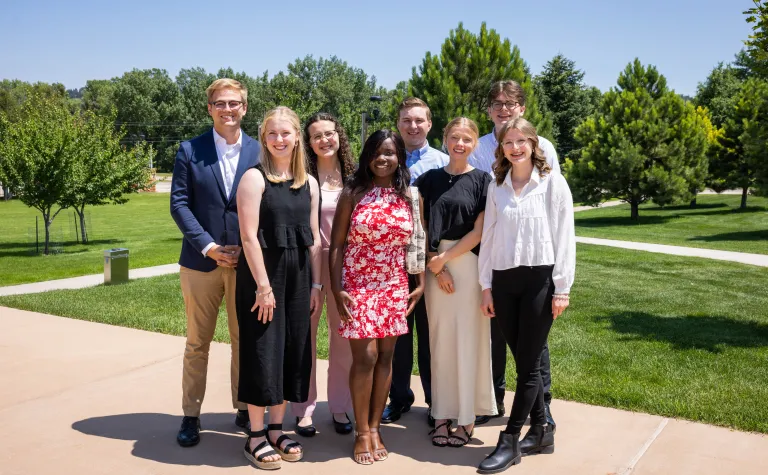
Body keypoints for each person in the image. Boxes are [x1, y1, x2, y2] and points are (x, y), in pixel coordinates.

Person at [476, 118, 575, 474]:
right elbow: (488, 237)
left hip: (539, 282)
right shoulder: (497, 184)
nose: (515, 147)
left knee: (530, 364)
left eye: (521, 141)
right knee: (524, 359)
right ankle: (542, 432)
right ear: (501, 148)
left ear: (534, 144)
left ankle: (510, 439)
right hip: (503, 282)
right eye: (508, 142)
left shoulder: (552, 183)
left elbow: (565, 236)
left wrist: (561, 287)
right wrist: (485, 285)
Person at [170, 78, 260, 448]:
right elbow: (179, 204)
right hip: (200, 262)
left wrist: (246, 247)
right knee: (197, 343)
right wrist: (209, 247)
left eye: (234, 103)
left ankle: (243, 408)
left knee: (245, 341)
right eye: (220, 103)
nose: (227, 109)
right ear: (209, 109)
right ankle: (191, 415)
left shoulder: (261, 150)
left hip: (246, 263)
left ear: (244, 108)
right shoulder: (190, 150)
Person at [329, 129, 425, 465]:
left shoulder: (408, 195)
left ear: (400, 156)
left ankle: (374, 426)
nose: (382, 159)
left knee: (387, 357)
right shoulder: (353, 193)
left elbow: (417, 241)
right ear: (368, 156)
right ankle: (361, 432)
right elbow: (337, 244)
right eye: (376, 152)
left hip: (394, 283)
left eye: (389, 153)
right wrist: (338, 287)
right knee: (366, 357)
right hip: (357, 283)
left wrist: (421, 280)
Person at [469, 80, 560, 428]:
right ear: (489, 110)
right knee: (496, 332)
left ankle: (543, 407)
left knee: (534, 340)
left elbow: (552, 205)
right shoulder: (480, 149)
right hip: (494, 249)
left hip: (535, 257)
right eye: (496, 103)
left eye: (510, 103)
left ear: (522, 108)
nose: (503, 108)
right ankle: (493, 398)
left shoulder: (543, 147)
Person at [235, 106, 323, 470]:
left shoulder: (309, 183)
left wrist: (316, 283)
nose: (279, 139)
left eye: (285, 133)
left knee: (292, 351)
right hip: (264, 280)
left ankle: (276, 428)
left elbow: (315, 239)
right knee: (263, 351)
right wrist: (263, 287)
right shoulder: (254, 179)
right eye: (272, 133)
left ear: (297, 136)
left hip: (300, 279)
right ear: (263, 137)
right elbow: (248, 237)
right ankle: (255, 435)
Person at [415, 117, 496, 448]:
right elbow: (420, 226)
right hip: (437, 270)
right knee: (440, 343)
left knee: (469, 342)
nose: (459, 143)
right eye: (454, 137)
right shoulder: (428, 180)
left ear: (474, 144)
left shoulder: (483, 181)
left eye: (466, 139)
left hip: (468, 266)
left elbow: (478, 231)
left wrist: (444, 261)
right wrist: (436, 266)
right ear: (444, 139)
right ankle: (442, 414)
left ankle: (466, 418)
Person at [382, 97, 449, 427]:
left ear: (429, 124)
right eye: (406, 120)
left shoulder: (442, 163)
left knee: (430, 333)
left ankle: (435, 400)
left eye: (419, 120)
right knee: (399, 334)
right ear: (398, 123)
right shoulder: (386, 159)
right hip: (390, 263)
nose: (413, 126)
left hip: (428, 261)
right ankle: (399, 397)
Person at [290, 112, 356, 437]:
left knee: (342, 338)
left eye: (329, 133)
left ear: (339, 136)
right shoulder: (300, 177)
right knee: (306, 338)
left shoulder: (355, 178)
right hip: (309, 265)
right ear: (309, 142)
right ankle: (304, 409)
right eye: (317, 135)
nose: (324, 140)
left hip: (346, 267)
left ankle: (340, 406)